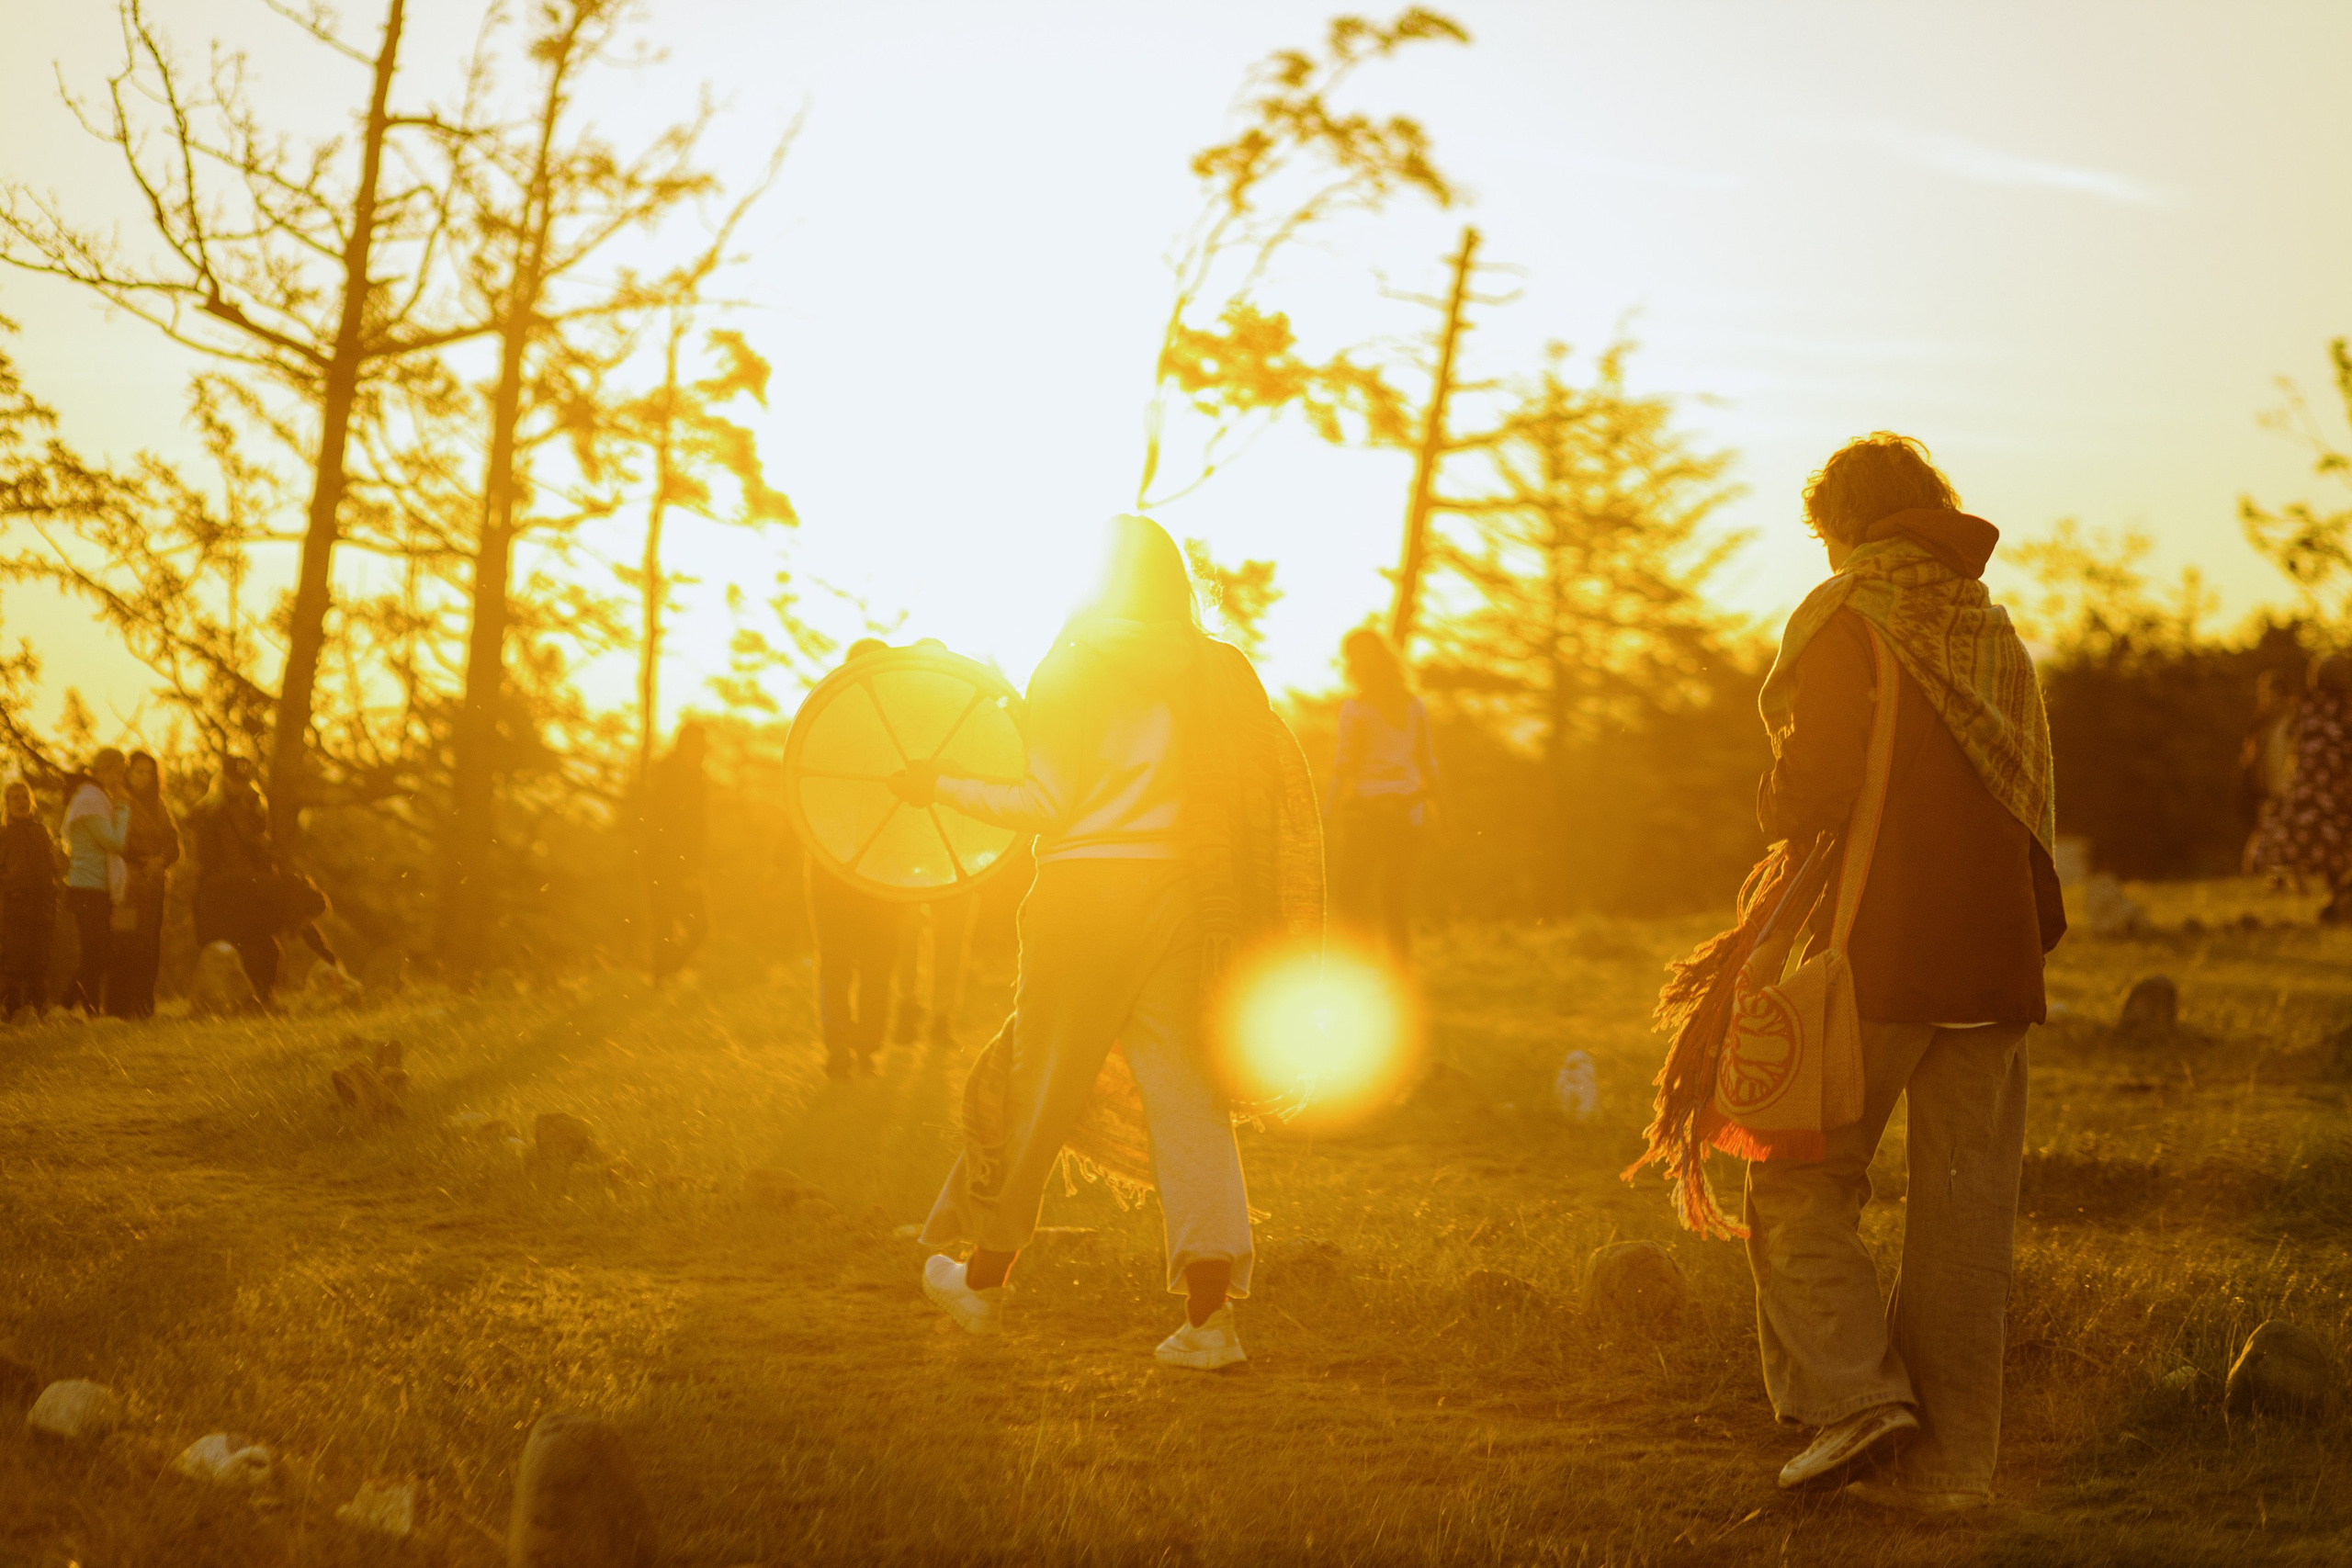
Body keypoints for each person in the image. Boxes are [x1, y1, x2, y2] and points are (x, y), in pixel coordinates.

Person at [898, 514, 1322, 1371]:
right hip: (1187, 899)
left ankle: (982, 1279)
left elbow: (1045, 803)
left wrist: (935, 784)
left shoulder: (1074, 661)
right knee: (1188, 1099)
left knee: (1037, 1086)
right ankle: (1210, 1322)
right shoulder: (1219, 670)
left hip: (1084, 898)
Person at [1738, 434, 2064, 1509]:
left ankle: (1852, 1398)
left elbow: (1812, 787)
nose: (1824, 553)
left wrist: (1774, 815)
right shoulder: (1992, 634)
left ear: (1847, 524)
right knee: (1965, 1228)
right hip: (1999, 964)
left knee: (1793, 1182)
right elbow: (2028, 808)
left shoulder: (1852, 620)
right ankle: (1949, 1476)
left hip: (1878, 953)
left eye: (1824, 533)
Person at [808, 638, 906, 1079]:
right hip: (851, 862)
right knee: (870, 959)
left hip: (848, 862)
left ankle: (848, 1047)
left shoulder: (826, 722)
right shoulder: (893, 726)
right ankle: (858, 1047)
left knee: (846, 959)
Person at [1327, 627, 1439, 971]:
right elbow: (1426, 761)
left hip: (1370, 812)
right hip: (1408, 812)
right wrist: (1441, 811)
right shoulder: (1412, 705)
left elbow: (1345, 765)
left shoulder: (1356, 710)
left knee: (1348, 895)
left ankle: (1366, 966)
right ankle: (1396, 972)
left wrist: (1327, 811)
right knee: (1394, 900)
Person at [2243, 655, 2352, 920]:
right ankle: (2340, 901)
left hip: (2308, 798)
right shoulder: (2344, 709)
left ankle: (2338, 899)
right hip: (2339, 794)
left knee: (2330, 853)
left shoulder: (2306, 708)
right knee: (2341, 849)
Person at [190, 756, 277, 996]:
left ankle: (263, 996)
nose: (240, 786)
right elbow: (205, 857)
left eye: (245, 781)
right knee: (234, 947)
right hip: (222, 892)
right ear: (224, 779)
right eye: (235, 780)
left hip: (250, 888)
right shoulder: (207, 811)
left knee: (265, 947)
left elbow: (263, 849)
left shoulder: (253, 807)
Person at [107, 750, 181, 1019]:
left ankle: (143, 1006)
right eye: (139, 771)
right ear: (128, 773)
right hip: (127, 885)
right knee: (124, 942)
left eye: (150, 772)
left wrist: (161, 860)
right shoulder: (119, 801)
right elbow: (115, 842)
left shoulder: (159, 805)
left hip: (155, 885)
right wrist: (142, 862)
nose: (145, 777)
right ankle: (117, 1009)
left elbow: (174, 843)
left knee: (150, 945)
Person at [60, 750, 130, 1015]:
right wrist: (123, 808)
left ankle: (71, 1003)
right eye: (119, 772)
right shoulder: (89, 800)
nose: (121, 778)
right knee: (95, 953)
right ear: (104, 770)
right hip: (86, 887)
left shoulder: (97, 797)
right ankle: (85, 1008)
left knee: (99, 952)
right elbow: (114, 841)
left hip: (98, 887)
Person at [645, 721, 711, 982]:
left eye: (705, 746)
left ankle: (664, 977)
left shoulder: (698, 777)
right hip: (664, 865)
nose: (703, 751)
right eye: (699, 745)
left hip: (683, 866)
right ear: (683, 746)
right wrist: (683, 868)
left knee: (693, 927)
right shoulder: (669, 777)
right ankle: (661, 980)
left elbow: (697, 830)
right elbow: (666, 827)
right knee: (670, 927)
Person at [0, 781, 61, 1018]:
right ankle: (10, 1008)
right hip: (14, 906)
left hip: (42, 906)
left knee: (40, 959)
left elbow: (52, 867)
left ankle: (37, 1008)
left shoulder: (41, 831)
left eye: (24, 797)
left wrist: (52, 894)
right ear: (6, 804)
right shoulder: (3, 834)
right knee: (14, 958)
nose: (21, 802)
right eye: (14, 798)